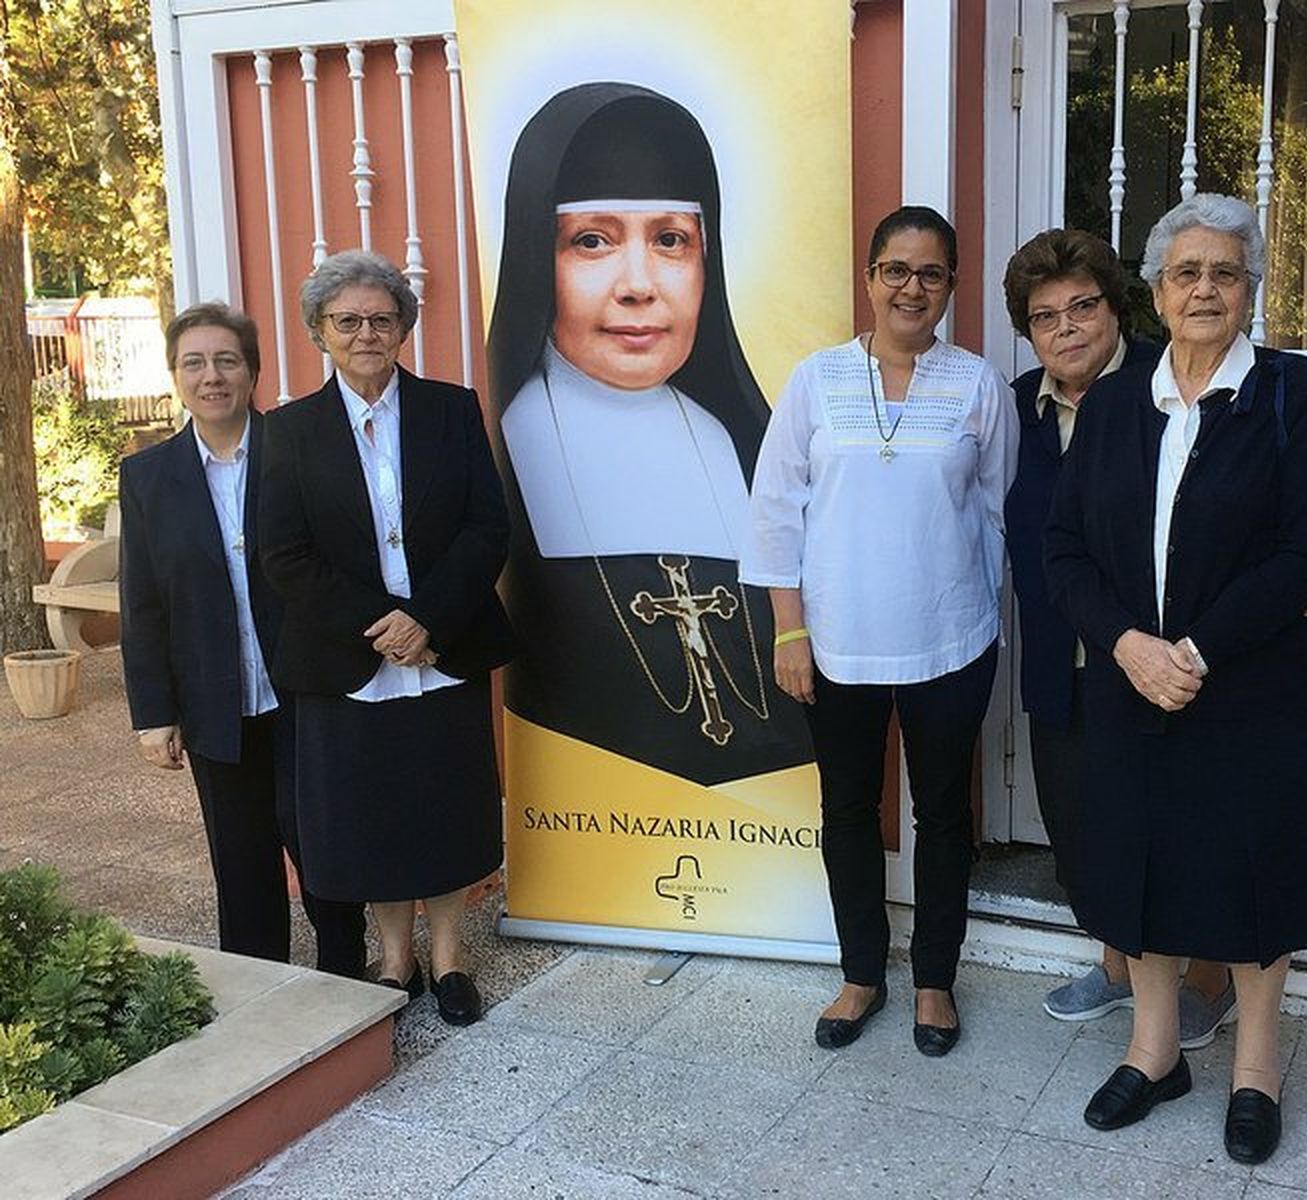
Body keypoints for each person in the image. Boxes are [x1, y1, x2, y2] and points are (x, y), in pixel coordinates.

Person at [1043, 194, 1307, 1163]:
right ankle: (1153, 1050)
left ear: (1250, 288)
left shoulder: (1288, 393)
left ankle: (1254, 1068)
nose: (1205, 289)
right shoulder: (1115, 402)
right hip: (1129, 681)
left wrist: (1198, 650)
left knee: (1257, 867)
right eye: (1187, 273)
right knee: (1135, 858)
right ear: (1156, 291)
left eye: (1224, 272)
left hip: (1246, 682)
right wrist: (1130, 647)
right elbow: (1062, 552)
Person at [742, 205, 1019, 1056]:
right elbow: (775, 512)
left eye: (931, 273)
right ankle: (861, 971)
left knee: (942, 817)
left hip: (951, 639)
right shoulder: (815, 380)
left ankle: (935, 979)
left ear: (950, 288)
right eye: (896, 269)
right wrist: (791, 635)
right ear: (869, 279)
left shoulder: (976, 385)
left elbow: (999, 513)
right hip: (835, 646)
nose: (912, 287)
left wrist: (982, 619)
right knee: (849, 811)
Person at [487, 82, 810, 787]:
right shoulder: (513, 438)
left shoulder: (740, 440)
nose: (639, 285)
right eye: (593, 242)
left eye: (670, 240)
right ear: (537, 260)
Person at [259, 251, 516, 1025]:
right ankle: (395, 958)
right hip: (348, 658)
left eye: (382, 318)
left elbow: (487, 527)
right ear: (318, 332)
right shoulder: (289, 431)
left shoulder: (451, 409)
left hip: (446, 647)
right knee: (373, 812)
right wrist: (382, 627)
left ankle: (448, 958)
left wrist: (427, 618)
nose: (366, 333)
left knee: (444, 804)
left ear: (405, 326)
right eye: (348, 321)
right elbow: (284, 554)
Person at [1002, 228, 1239, 1048]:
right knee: (1080, 825)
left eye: (1084, 306)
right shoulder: (1016, 407)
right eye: (1044, 317)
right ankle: (1115, 966)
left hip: (1162, 668)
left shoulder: (1170, 385)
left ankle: (1209, 981)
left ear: (1117, 308)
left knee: (1184, 833)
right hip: (1061, 661)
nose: (1066, 328)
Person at [119, 302, 366, 977]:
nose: (212, 376)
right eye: (194, 362)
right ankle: (259, 985)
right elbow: (141, 606)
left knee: (319, 840)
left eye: (227, 360)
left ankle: (348, 974)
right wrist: (154, 714)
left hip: (305, 690)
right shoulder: (148, 479)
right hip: (212, 702)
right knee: (241, 856)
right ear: (176, 376)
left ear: (252, 371)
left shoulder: (301, 450)